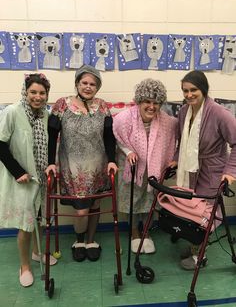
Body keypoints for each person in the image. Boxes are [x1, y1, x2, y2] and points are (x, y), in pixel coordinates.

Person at [46, 65, 118, 262]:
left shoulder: (103, 106)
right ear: (77, 83)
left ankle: (91, 240)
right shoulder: (62, 105)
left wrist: (112, 160)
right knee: (81, 209)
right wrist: (50, 162)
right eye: (84, 83)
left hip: (98, 166)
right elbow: (52, 136)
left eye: (92, 84)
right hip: (73, 168)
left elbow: (109, 137)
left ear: (97, 87)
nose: (88, 87)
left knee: (94, 204)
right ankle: (79, 240)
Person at [171, 70, 236, 270]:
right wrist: (175, 160)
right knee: (191, 209)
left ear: (204, 89)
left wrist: (231, 171)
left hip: (212, 170)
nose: (189, 94)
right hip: (189, 168)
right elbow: (182, 141)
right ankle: (195, 245)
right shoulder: (184, 112)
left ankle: (200, 254)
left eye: (194, 90)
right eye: (185, 91)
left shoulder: (219, 113)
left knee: (205, 213)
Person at [0, 73, 57, 288]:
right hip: (22, 178)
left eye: (42, 93)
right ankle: (24, 266)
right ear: (26, 92)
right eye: (33, 92)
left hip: (40, 176)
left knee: (39, 219)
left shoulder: (45, 115)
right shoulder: (12, 112)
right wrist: (17, 172)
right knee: (25, 224)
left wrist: (50, 164)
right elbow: (0, 144)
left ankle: (37, 253)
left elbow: (50, 144)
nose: (38, 97)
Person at [113, 78, 177, 254]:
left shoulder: (166, 121)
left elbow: (173, 136)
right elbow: (119, 139)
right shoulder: (123, 118)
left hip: (153, 167)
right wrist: (128, 152)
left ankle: (146, 232)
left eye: (156, 103)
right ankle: (134, 233)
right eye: (147, 101)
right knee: (132, 199)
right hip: (131, 166)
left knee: (149, 200)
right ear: (139, 101)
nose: (152, 106)